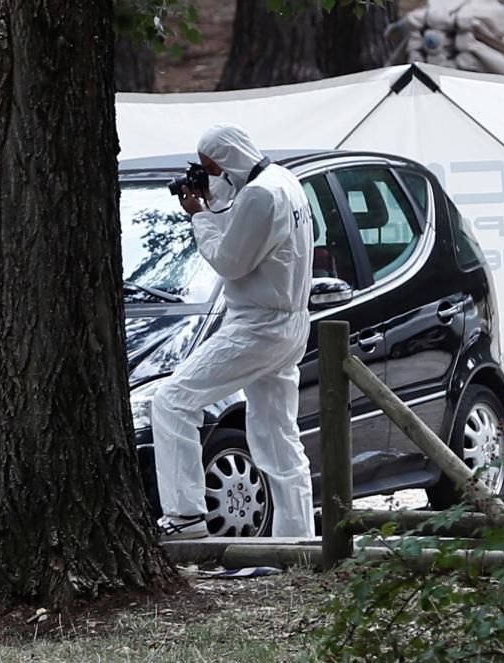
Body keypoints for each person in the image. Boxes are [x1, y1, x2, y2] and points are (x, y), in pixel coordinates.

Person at [153, 122, 315, 540]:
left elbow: (229, 261)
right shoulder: (283, 182)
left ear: (228, 164)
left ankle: (184, 517)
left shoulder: (259, 195)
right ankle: (296, 542)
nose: (208, 177)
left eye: (211, 169)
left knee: (173, 401)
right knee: (278, 437)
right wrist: (217, 205)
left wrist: (201, 217)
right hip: (288, 322)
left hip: (258, 324)